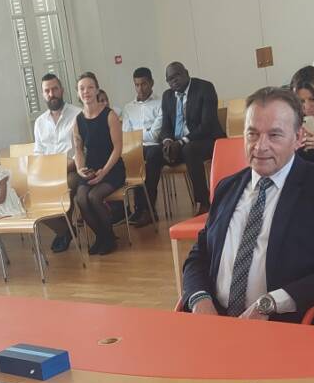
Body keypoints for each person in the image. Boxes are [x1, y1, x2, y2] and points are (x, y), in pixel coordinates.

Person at [181, 87, 314, 323]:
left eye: (274, 135)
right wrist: (199, 299)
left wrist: (271, 303)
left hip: (290, 324)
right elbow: (199, 254)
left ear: (298, 138)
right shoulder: (227, 187)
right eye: (252, 134)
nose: (260, 146)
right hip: (216, 323)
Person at [151, 62, 226, 213]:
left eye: (177, 76)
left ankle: (203, 202)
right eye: (170, 79)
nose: (174, 81)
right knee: (153, 153)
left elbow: (206, 125)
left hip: (208, 141)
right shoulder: (167, 96)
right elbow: (166, 127)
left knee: (189, 150)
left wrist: (181, 142)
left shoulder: (205, 88)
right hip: (179, 144)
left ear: (186, 73)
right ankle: (147, 208)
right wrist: (167, 142)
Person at [72, 72, 126, 255]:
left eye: (90, 87)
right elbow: (78, 150)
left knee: (94, 197)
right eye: (82, 88)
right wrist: (80, 169)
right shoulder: (78, 120)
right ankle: (102, 236)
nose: (86, 91)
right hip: (91, 169)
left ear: (96, 90)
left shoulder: (109, 115)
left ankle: (108, 238)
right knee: (81, 198)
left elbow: (118, 148)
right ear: (78, 93)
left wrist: (104, 172)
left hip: (112, 168)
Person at [33, 73, 80, 252]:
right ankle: (65, 230)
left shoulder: (77, 114)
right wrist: (44, 172)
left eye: (54, 89)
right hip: (49, 173)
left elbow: (82, 150)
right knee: (30, 197)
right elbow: (38, 153)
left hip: (72, 170)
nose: (51, 94)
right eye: (47, 91)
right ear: (43, 94)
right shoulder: (40, 122)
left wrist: (66, 167)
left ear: (62, 90)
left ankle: (63, 233)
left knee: (64, 188)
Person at [121, 66, 163, 227]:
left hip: (154, 147)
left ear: (151, 83)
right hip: (135, 148)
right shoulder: (128, 107)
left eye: (144, 84)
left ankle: (148, 209)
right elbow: (127, 135)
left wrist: (137, 133)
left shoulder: (160, 103)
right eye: (137, 85)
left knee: (152, 156)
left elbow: (155, 135)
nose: (140, 88)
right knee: (131, 157)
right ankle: (139, 209)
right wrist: (145, 132)